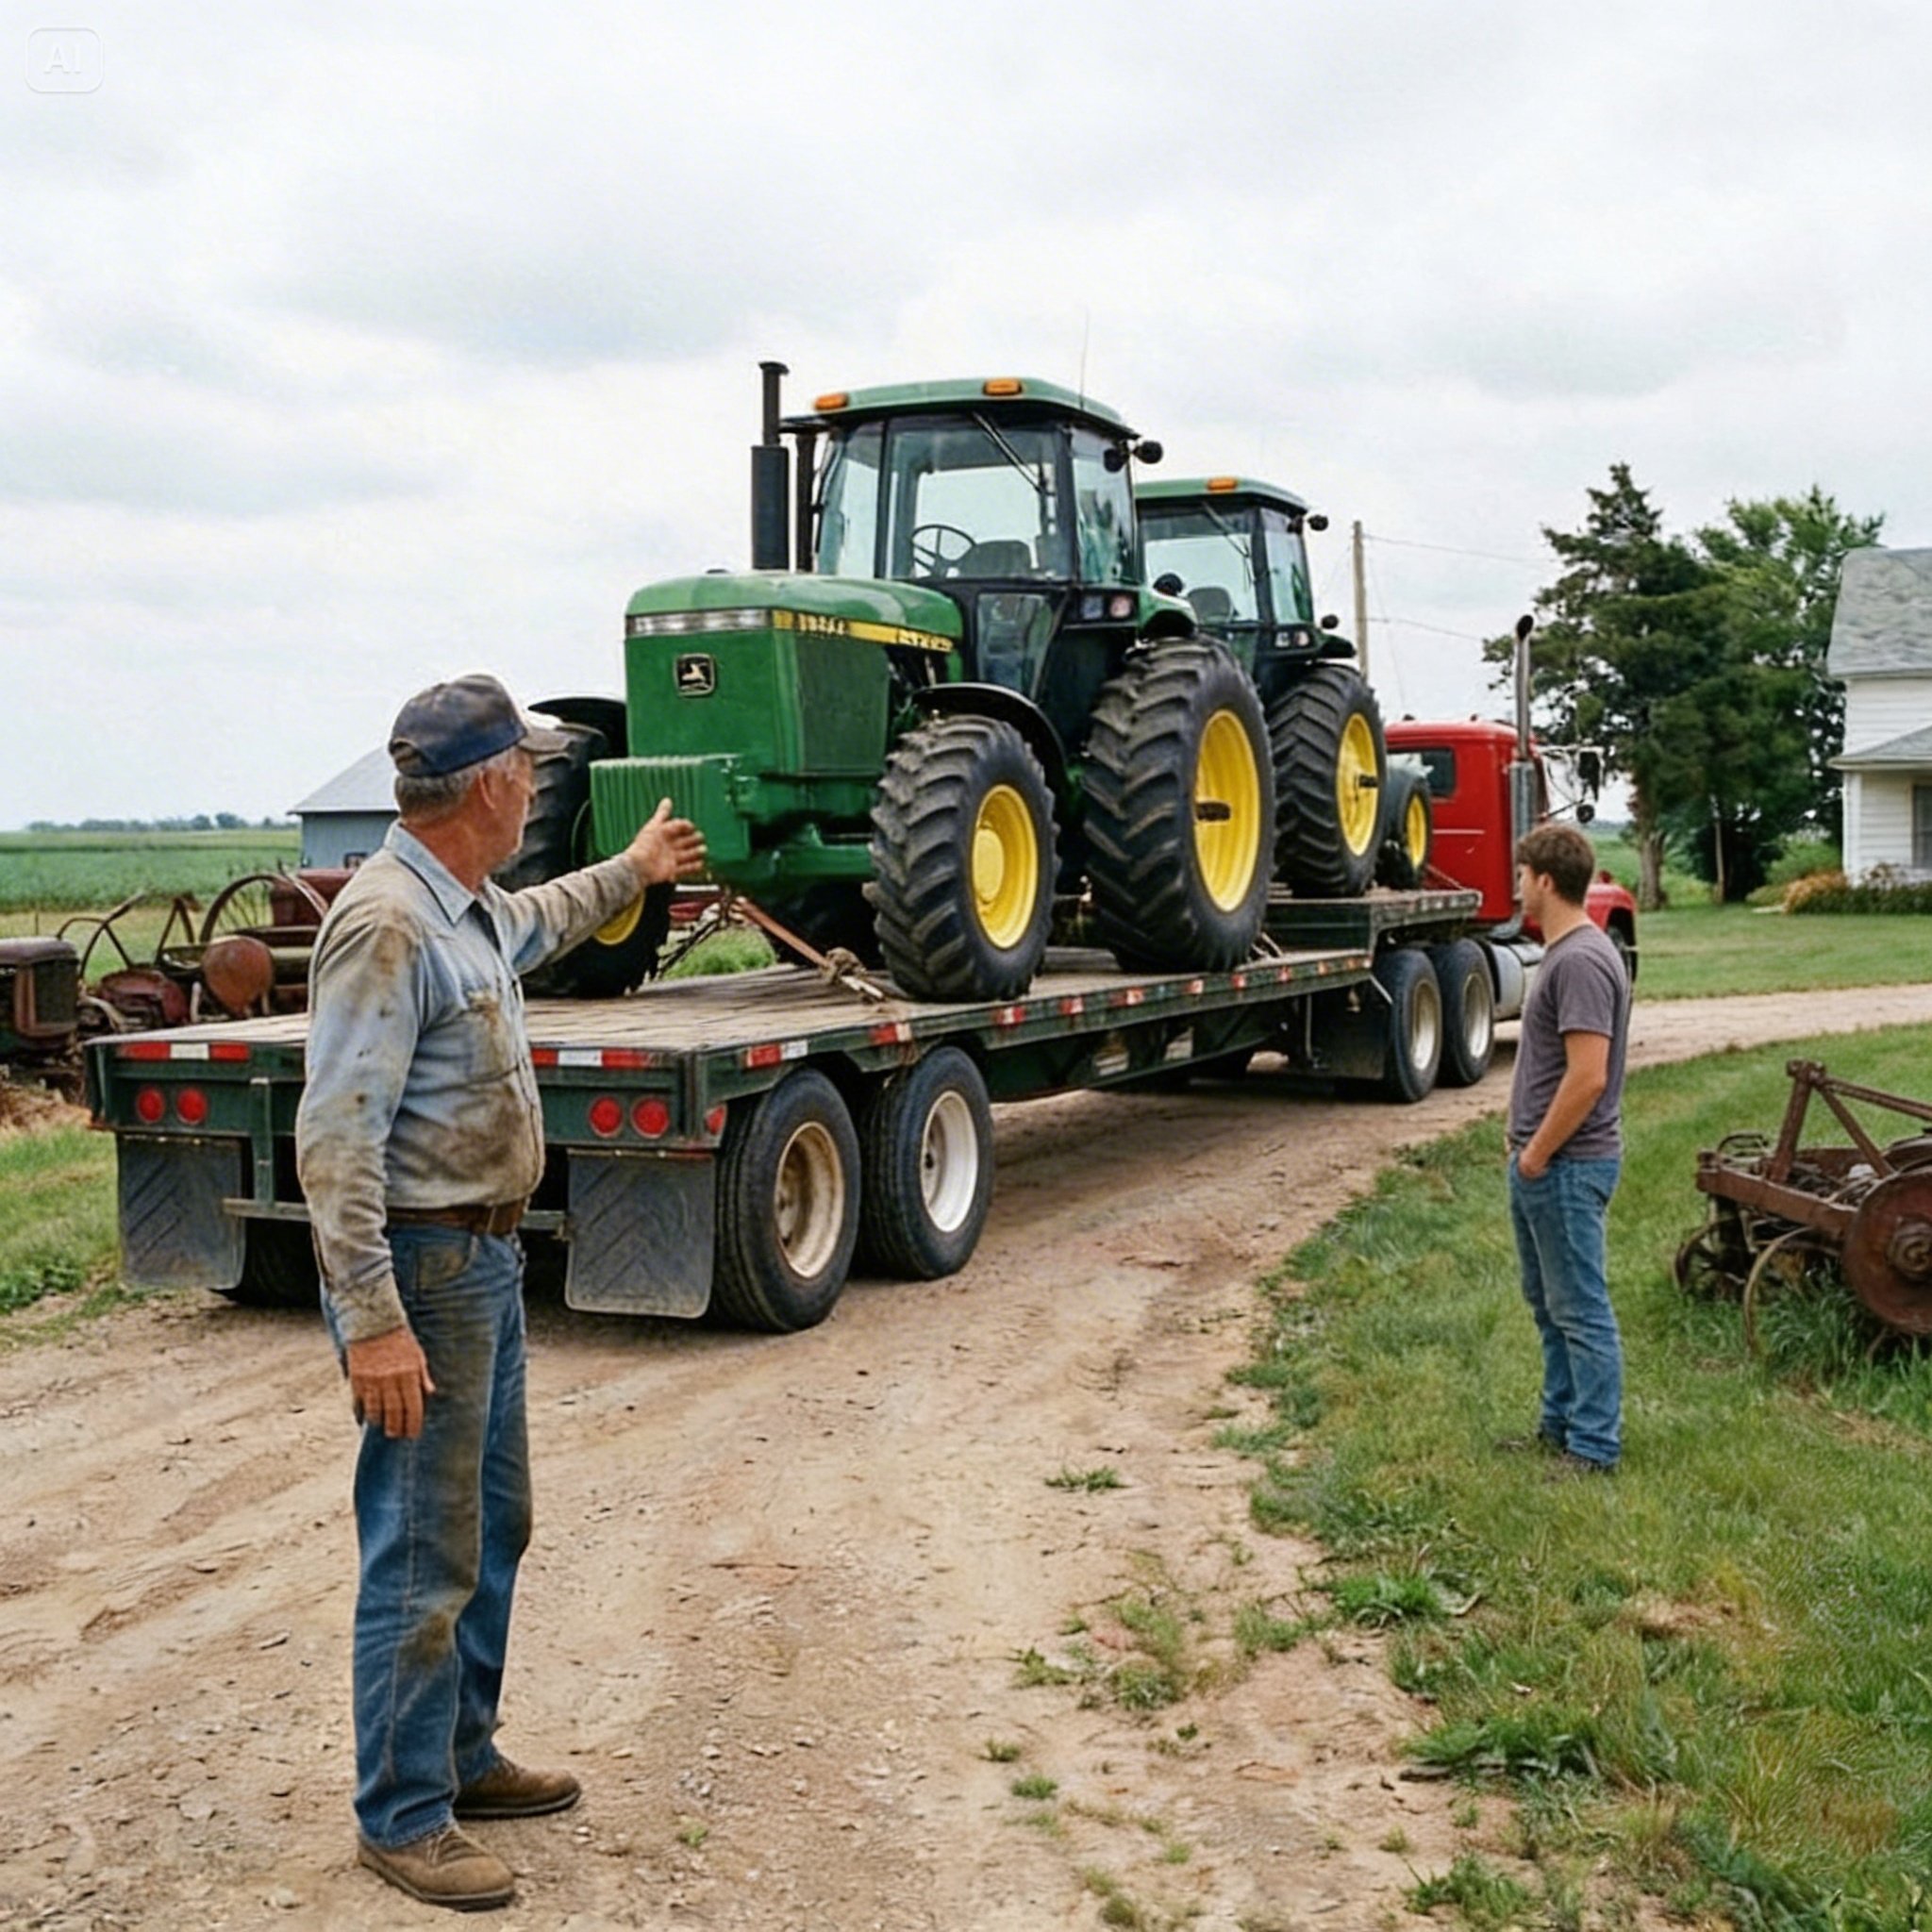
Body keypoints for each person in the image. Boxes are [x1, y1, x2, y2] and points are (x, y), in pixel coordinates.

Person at [295, 674, 706, 1911]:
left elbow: (538, 923)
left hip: (478, 1260)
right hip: (421, 1273)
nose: (536, 781)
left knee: (488, 1525)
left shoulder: (461, 909)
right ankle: (404, 1816)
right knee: (424, 1549)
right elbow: (336, 1142)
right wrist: (372, 1322)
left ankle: (460, 1758)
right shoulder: (389, 927)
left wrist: (634, 869)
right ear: (490, 785)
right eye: (526, 765)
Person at [1505, 824, 1632, 1477]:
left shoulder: (1580, 959)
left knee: (1579, 1309)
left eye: (1524, 874)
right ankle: (1558, 1426)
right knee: (1550, 1305)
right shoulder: (1566, 952)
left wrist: (1536, 1155)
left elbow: (1588, 1076)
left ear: (1546, 880)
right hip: (1548, 1163)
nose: (1519, 885)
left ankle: (1593, 1447)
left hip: (1566, 1165)